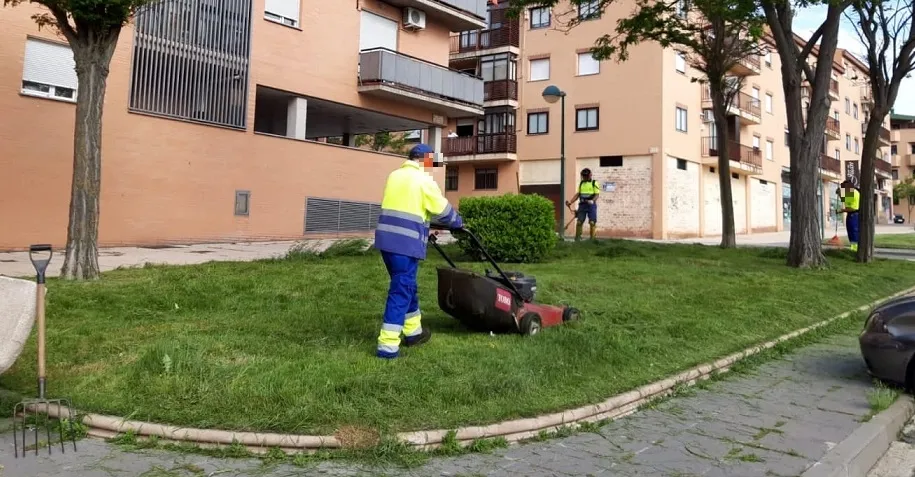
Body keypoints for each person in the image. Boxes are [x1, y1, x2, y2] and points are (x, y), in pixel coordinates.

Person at [373, 143, 463, 359]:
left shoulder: (394, 176)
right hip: (405, 245)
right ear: (425, 159)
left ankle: (414, 333)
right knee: (401, 290)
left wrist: (425, 228)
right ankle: (387, 346)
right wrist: (458, 223)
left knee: (407, 285)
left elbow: (409, 207)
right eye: (432, 161)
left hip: (387, 241)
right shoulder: (423, 180)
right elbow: (442, 210)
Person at [565, 168, 600, 241]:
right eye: (583, 176)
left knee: (592, 222)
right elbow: (578, 194)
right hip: (582, 205)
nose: (584, 178)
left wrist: (592, 201)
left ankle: (592, 240)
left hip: (591, 205)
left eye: (585, 176)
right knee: (579, 222)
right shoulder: (581, 183)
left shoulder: (594, 183)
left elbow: (597, 194)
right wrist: (570, 202)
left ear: (590, 175)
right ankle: (577, 239)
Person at [837, 180, 861, 252]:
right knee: (851, 232)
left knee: (853, 232)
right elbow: (845, 201)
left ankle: (855, 249)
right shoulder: (850, 192)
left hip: (854, 215)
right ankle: (853, 247)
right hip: (851, 215)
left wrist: (841, 211)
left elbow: (852, 208)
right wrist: (840, 194)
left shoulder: (853, 193)